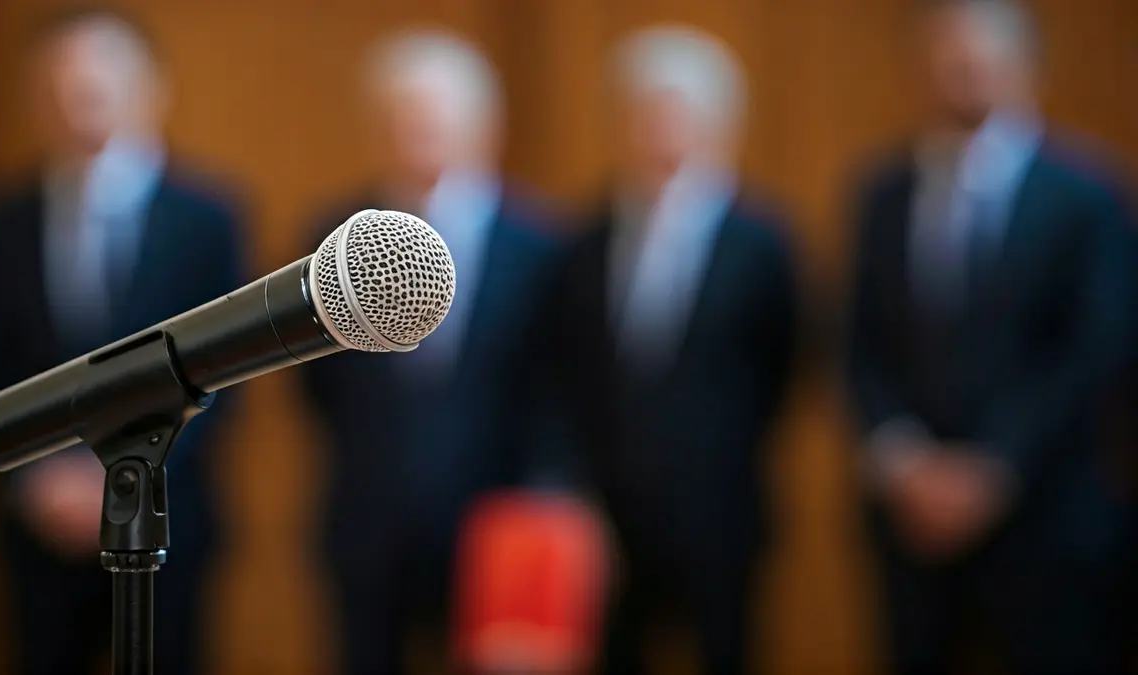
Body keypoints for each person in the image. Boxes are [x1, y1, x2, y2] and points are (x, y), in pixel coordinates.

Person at [845, 1, 1136, 673]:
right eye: (947, 56)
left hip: (1048, 518)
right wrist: (905, 461)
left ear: (1026, 67)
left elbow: (1097, 347)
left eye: (979, 57)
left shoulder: (1087, 195)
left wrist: (995, 467)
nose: (962, 71)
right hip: (911, 528)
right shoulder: (880, 194)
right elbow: (858, 342)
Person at [0, 8, 247, 675]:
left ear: (149, 89)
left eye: (99, 82)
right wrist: (34, 477)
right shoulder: (5, 219)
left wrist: (124, 477)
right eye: (63, 84)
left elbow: (228, 375)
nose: (80, 99)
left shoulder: (207, 217)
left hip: (168, 524)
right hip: (39, 528)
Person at [297, 29, 565, 675]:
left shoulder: (539, 244)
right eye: (405, 118)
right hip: (366, 520)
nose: (420, 135)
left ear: (482, 126)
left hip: (495, 523)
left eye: (437, 119)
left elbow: (554, 387)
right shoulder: (335, 238)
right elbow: (314, 382)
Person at [550, 25, 798, 675]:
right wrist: (577, 494)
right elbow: (566, 378)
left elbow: (783, 369)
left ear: (718, 123)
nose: (663, 129)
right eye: (647, 112)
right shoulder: (584, 243)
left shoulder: (763, 245)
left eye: (680, 112)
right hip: (607, 515)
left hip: (721, 511)